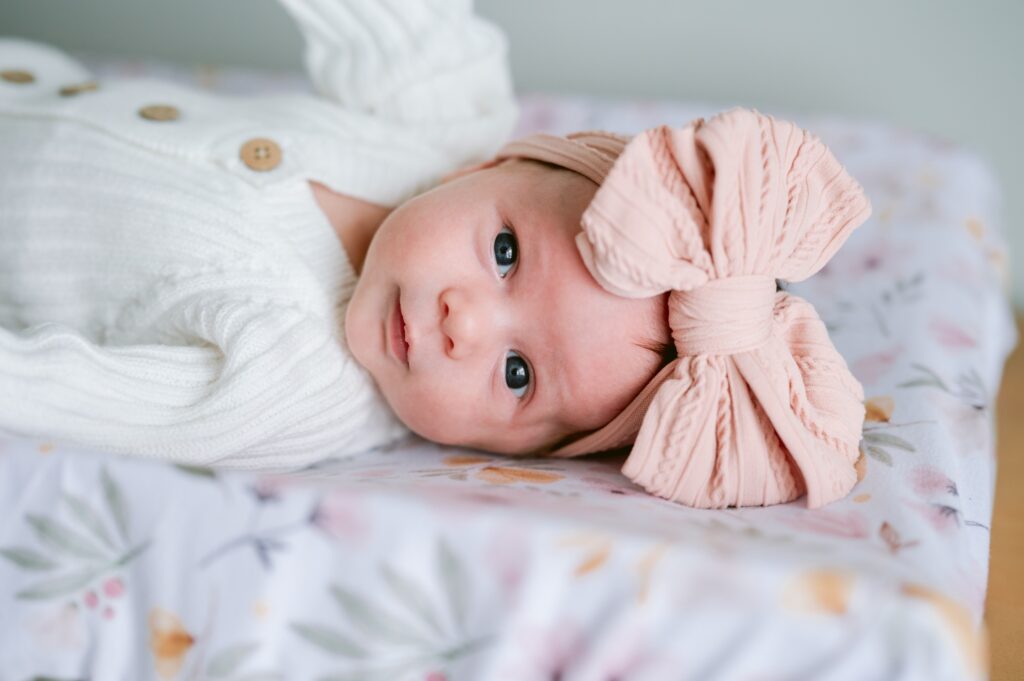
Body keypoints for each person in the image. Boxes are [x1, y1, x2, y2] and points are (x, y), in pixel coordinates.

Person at [0, 0, 671, 468]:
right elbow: (411, 30)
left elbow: (76, 397)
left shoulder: (301, 389)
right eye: (506, 253)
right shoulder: (441, 127)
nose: (462, 323)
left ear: (518, 450)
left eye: (517, 373)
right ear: (492, 165)